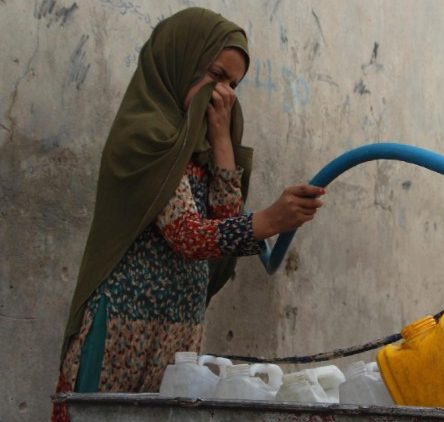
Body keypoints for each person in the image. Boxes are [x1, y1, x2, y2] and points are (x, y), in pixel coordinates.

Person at [52, 7, 323, 419]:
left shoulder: (198, 141)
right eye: (215, 76)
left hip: (181, 328)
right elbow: (189, 236)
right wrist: (270, 220)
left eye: (234, 84)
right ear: (181, 61)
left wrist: (220, 141)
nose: (224, 95)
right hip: (123, 329)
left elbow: (224, 222)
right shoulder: (146, 134)